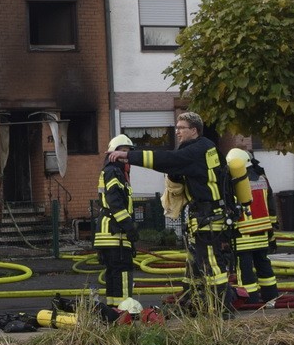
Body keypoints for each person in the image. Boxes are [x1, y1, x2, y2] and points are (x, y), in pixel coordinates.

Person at [109, 112, 234, 317]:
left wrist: (129, 155)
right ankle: (193, 304)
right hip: (205, 217)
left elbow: (168, 159)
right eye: (176, 128)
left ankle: (221, 310)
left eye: (181, 128)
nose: (177, 132)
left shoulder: (197, 150)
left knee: (212, 266)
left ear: (194, 130)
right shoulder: (207, 149)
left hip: (208, 218)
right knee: (194, 265)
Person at [228, 148, 279, 304]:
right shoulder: (263, 179)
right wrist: (271, 233)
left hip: (242, 235)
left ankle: (251, 301)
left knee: (245, 270)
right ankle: (271, 298)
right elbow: (271, 208)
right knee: (264, 266)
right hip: (263, 233)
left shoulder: (233, 183)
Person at [94, 134, 138, 308]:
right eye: (123, 151)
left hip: (109, 233)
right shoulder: (114, 171)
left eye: (128, 152)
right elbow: (115, 204)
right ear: (114, 153)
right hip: (115, 233)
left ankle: (113, 310)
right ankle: (125, 310)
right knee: (123, 272)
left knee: (113, 274)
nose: (126, 156)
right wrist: (129, 227)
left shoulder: (113, 171)